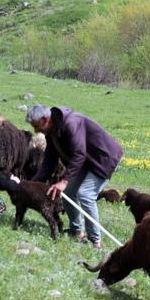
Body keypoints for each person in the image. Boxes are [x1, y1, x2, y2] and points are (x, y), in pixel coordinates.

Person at [26, 105, 123, 249]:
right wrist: (31, 185)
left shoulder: (71, 123)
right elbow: (49, 161)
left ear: (45, 119)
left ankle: (95, 242)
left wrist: (64, 181)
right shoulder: (51, 130)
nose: (35, 130)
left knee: (85, 194)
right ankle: (77, 232)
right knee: (68, 193)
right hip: (86, 161)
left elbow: (79, 153)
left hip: (103, 159)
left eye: (36, 126)